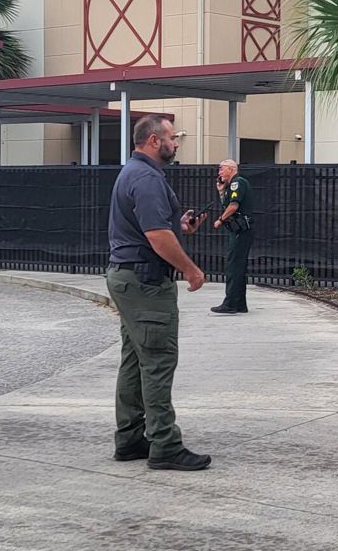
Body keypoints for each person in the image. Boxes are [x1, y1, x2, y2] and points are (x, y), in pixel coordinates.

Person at [107, 114, 212, 471]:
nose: (176, 142)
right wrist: (190, 269)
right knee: (157, 361)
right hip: (146, 282)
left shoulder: (132, 173)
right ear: (154, 141)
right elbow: (156, 236)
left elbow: (156, 228)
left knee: (135, 360)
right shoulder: (147, 178)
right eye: (171, 137)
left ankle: (130, 438)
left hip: (129, 278)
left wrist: (180, 225)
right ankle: (164, 444)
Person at [211, 159, 254, 315]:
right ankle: (240, 304)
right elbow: (227, 203)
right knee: (238, 266)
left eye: (222, 169)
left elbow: (234, 206)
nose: (219, 172)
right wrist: (221, 191)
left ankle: (230, 304)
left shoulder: (238, 182)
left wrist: (220, 220)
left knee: (233, 266)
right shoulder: (231, 186)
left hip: (241, 230)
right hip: (239, 230)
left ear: (231, 169)